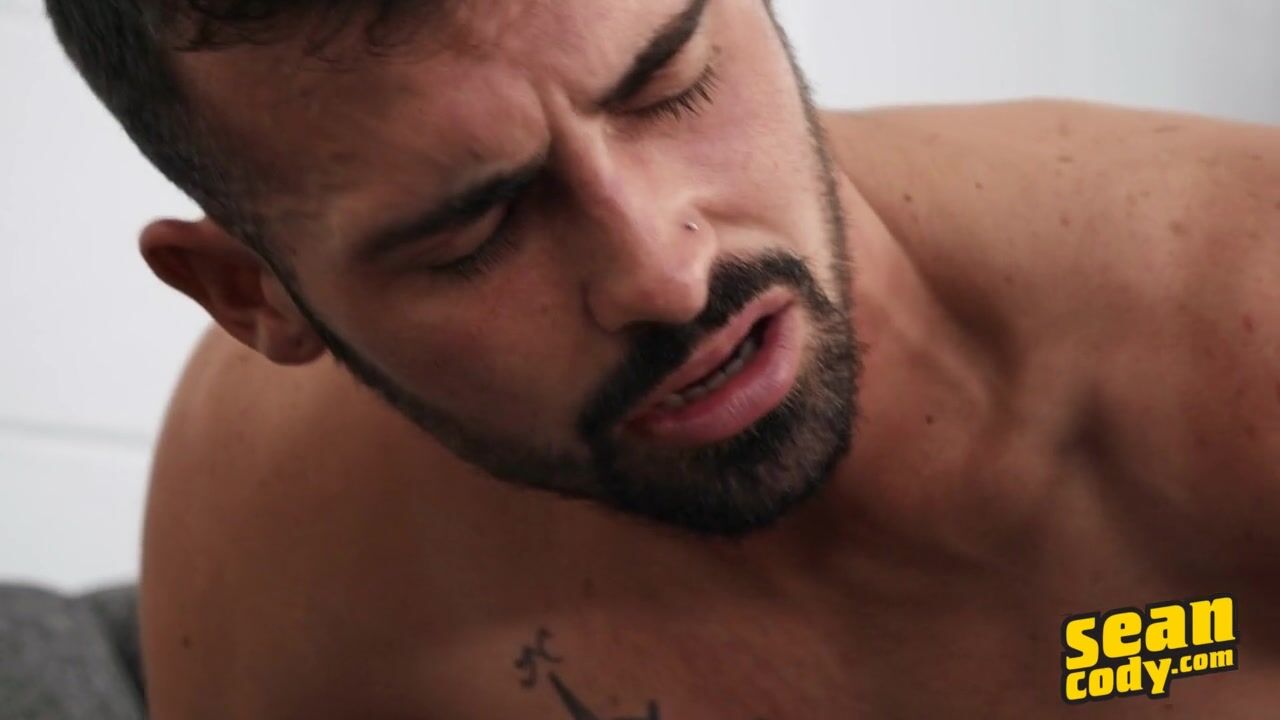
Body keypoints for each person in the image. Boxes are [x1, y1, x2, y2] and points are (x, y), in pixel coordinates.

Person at [46, 0, 1279, 717]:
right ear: (256, 295)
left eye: (669, 84)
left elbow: (1118, 652)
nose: (663, 273)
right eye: (473, 227)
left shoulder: (1239, 320)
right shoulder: (291, 556)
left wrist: (1140, 650)